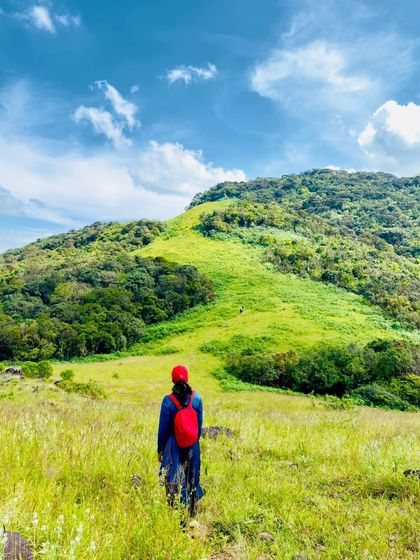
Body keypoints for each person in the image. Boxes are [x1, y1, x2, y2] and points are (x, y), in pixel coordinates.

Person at [157, 365, 204, 515]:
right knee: (193, 474)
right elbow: (199, 425)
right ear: (188, 379)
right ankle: (192, 508)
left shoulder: (168, 401)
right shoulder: (197, 398)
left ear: (172, 380)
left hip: (173, 443)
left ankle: (176, 510)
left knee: (173, 476)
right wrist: (193, 440)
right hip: (192, 443)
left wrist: (161, 449)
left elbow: (163, 428)